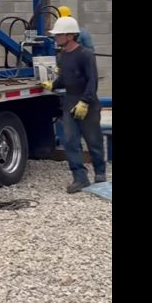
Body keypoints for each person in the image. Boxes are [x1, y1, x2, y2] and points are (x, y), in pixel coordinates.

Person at [43, 16, 106, 193]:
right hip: (70, 102)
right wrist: (53, 85)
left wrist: (85, 102)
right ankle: (80, 178)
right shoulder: (64, 56)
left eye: (59, 35)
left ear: (70, 36)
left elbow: (92, 82)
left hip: (88, 104)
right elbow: (65, 78)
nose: (56, 38)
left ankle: (100, 174)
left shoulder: (85, 55)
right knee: (71, 142)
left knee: (93, 140)